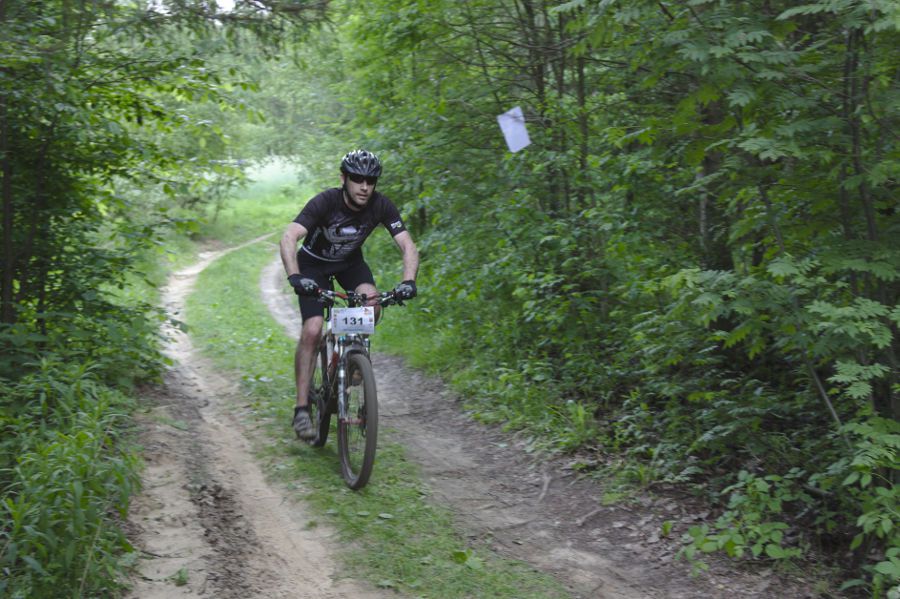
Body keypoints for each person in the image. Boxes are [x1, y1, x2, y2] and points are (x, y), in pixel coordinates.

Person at [279, 150, 419, 440]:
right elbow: (289, 236)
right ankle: (302, 408)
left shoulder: (381, 205)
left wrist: (409, 281)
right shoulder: (325, 202)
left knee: (373, 303)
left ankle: (351, 362)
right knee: (313, 329)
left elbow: (407, 245)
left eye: (371, 181)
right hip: (313, 265)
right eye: (357, 179)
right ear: (344, 178)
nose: (364, 187)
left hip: (349, 264)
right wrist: (295, 276)